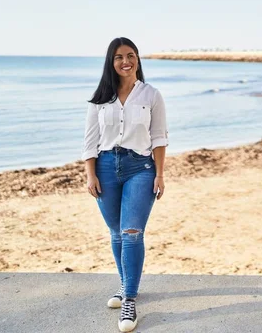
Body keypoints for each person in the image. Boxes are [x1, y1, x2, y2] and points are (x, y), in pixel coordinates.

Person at [82, 37, 168, 332]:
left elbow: (159, 137)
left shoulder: (151, 95)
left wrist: (160, 173)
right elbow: (90, 141)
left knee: (132, 232)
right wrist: (90, 174)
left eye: (130, 55)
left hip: (141, 168)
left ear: (138, 60)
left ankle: (129, 299)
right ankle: (125, 285)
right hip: (105, 168)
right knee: (116, 232)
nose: (125, 61)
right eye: (119, 57)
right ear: (111, 62)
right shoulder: (100, 98)